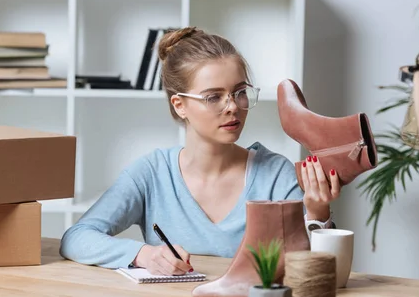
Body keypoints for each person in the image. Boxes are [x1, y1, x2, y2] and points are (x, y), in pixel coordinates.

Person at [60, 27, 341, 276]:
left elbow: (317, 273)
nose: (233, 106)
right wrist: (144, 255)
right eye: (213, 97)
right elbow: (76, 237)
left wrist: (317, 213)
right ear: (179, 105)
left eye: (240, 91)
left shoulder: (276, 174)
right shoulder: (151, 174)